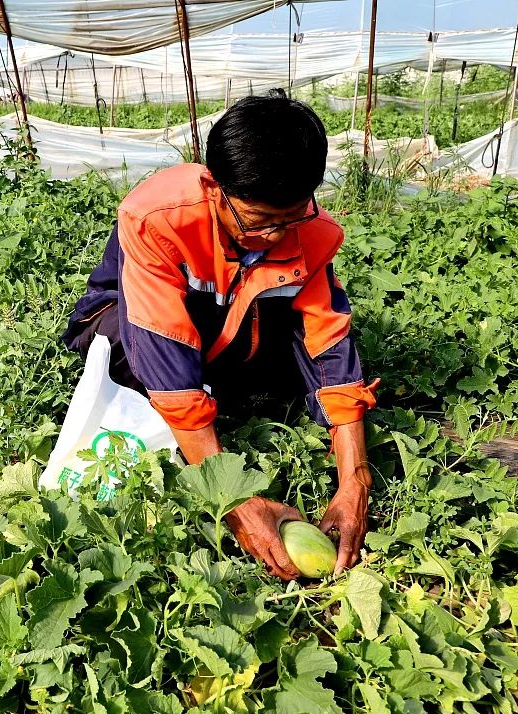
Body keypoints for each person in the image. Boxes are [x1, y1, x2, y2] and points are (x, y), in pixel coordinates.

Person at [61, 92, 379, 580]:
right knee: (134, 360)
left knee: (300, 348)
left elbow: (328, 346)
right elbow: (161, 349)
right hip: (132, 324)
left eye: (291, 217)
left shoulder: (312, 230)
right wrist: (232, 499)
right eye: (259, 222)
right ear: (213, 187)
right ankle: (211, 404)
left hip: (229, 328)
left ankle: (220, 391)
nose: (276, 236)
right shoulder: (156, 218)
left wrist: (355, 477)